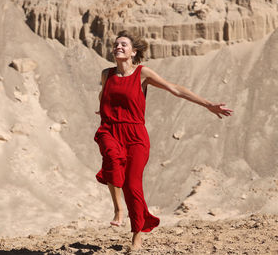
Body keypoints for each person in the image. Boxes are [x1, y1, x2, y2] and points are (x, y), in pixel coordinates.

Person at [94, 30, 233, 250]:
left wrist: (208, 104)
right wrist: (102, 108)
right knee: (112, 157)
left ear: (133, 51)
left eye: (123, 44)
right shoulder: (106, 74)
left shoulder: (142, 73)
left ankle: (136, 233)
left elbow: (175, 89)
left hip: (135, 135)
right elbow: (103, 95)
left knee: (132, 184)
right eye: (115, 44)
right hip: (110, 129)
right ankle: (118, 209)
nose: (118, 47)